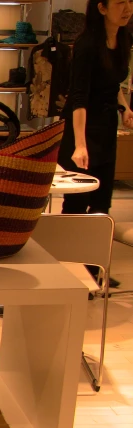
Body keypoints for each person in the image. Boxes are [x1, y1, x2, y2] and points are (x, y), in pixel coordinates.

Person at [58, 0, 133, 287]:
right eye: (119, 3)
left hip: (105, 129)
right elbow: (78, 96)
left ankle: (92, 268)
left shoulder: (123, 39)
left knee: (102, 205)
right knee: (77, 204)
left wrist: (124, 107)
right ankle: (70, 271)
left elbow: (113, 85)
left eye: (129, 2)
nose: (127, 8)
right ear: (102, 8)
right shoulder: (87, 45)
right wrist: (79, 144)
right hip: (82, 131)